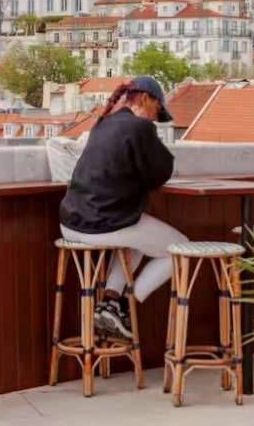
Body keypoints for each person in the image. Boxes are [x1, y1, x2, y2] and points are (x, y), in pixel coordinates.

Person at [60, 75, 187, 339]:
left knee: (136, 242)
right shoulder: (139, 128)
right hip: (102, 223)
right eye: (156, 110)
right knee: (180, 251)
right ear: (144, 99)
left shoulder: (104, 124)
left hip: (71, 221)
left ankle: (110, 301)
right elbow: (160, 172)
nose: (154, 118)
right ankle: (125, 307)